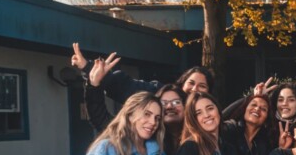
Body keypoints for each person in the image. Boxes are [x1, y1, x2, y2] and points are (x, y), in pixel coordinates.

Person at [72, 43, 213, 107]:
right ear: (182, 83)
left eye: (202, 86)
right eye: (191, 83)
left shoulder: (209, 117)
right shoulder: (160, 93)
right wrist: (87, 67)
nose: (195, 89)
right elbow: (126, 87)